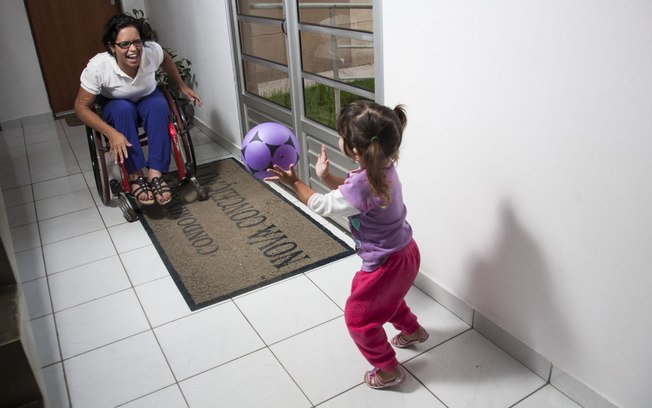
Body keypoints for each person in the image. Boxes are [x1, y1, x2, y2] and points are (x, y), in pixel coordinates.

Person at [265, 100, 428, 389]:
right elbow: (357, 197)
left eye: (342, 135)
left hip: (386, 263)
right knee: (388, 300)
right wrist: (327, 177)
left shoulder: (365, 182)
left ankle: (388, 369)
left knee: (359, 319)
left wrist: (294, 182)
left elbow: (322, 204)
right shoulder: (385, 167)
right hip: (406, 252)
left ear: (354, 150)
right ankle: (412, 331)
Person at [74, 13, 202, 206]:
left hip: (147, 97)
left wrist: (182, 85)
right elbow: (81, 107)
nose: (133, 49)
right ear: (111, 46)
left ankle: (155, 174)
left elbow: (166, 58)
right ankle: (135, 176)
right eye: (124, 44)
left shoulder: (151, 51)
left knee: (159, 105)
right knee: (122, 110)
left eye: (137, 42)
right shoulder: (98, 67)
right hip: (115, 102)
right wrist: (111, 133)